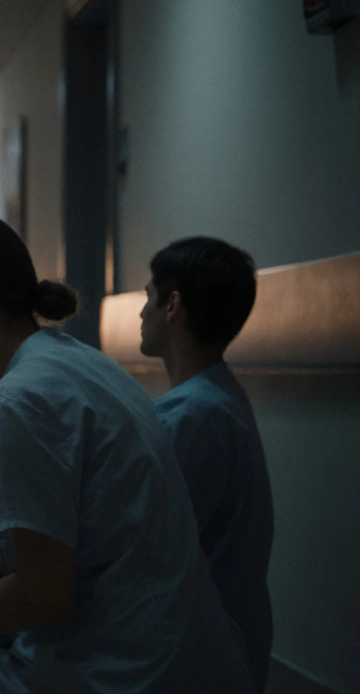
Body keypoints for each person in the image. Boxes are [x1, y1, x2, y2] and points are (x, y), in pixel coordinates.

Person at [0, 211, 254, 693]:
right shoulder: (82, 361)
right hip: (185, 653)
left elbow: (43, 597)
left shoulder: (15, 401)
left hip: (124, 670)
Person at [140, 236, 274, 691]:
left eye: (148, 296)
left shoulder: (192, 417)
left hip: (197, 660)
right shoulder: (218, 397)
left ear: (172, 305)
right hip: (226, 647)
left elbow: (144, 550)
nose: (141, 313)